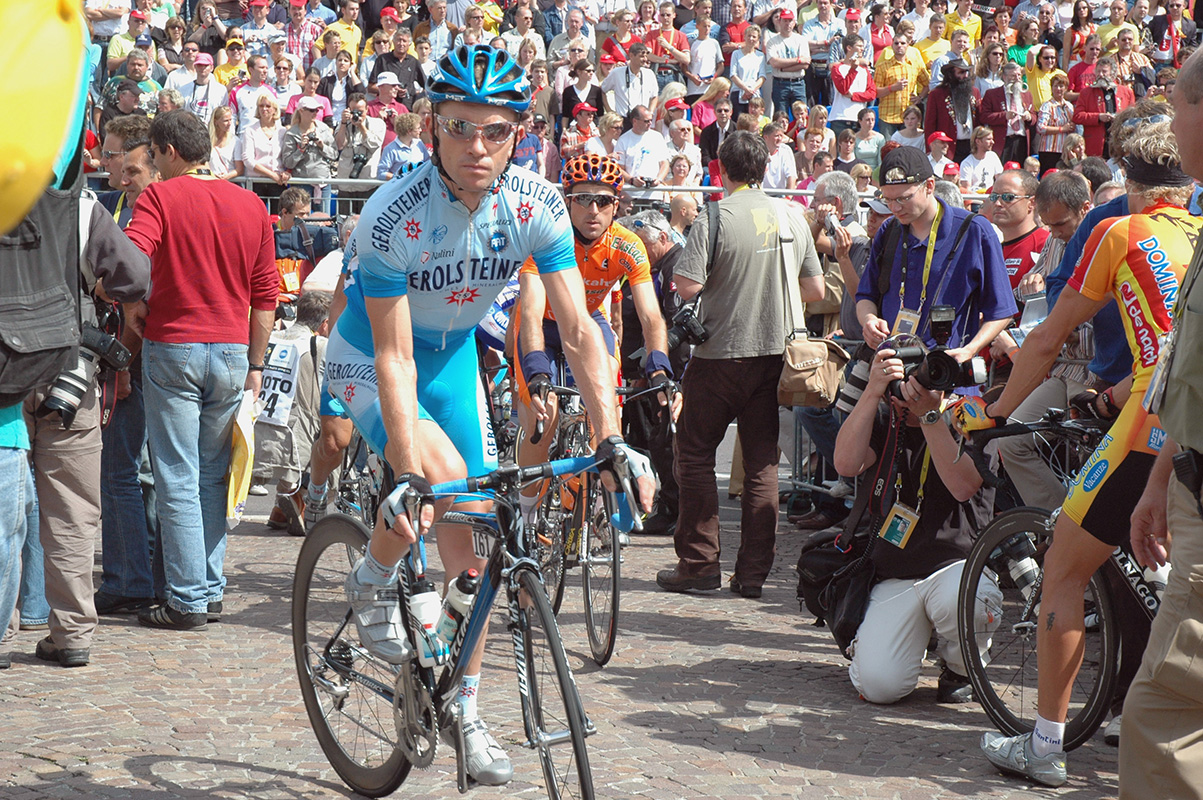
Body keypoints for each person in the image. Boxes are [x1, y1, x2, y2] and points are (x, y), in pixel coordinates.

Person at [324, 44, 652, 786]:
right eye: (459, 127)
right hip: (371, 355)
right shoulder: (392, 214)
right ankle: (372, 575)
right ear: (430, 128)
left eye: (495, 131)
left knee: (473, 554)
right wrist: (407, 470)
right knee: (438, 477)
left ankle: (465, 714)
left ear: (519, 134)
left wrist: (610, 437)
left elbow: (579, 333)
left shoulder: (535, 205)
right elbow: (395, 357)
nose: (477, 146)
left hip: (452, 360)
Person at [964, 118, 1199, 787]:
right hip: (1183, 417)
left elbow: (1047, 339)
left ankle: (1045, 743)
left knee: (1062, 569)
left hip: (1147, 424)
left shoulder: (1119, 231)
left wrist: (996, 411)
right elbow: (1173, 341)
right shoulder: (1199, 233)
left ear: (1128, 180)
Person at [120, 110, 276, 634]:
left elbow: (130, 260)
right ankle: (207, 589)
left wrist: (130, 305)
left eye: (156, 155)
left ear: (168, 151)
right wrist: (256, 363)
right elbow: (266, 296)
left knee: (177, 474)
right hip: (232, 350)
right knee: (212, 474)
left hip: (175, 344)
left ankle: (187, 597)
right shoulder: (250, 203)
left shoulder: (160, 197)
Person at [656, 130, 824, 598]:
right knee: (762, 464)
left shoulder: (715, 215)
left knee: (694, 454)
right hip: (776, 355)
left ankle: (699, 563)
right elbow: (814, 290)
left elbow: (686, 284)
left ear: (722, 170)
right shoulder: (791, 214)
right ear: (765, 169)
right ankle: (752, 575)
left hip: (721, 353)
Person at [833, 315, 1002, 705]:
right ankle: (900, 640)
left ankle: (961, 666)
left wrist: (929, 415)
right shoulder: (885, 417)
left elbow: (962, 485)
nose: (911, 390)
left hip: (956, 566)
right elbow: (845, 463)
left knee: (967, 604)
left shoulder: (968, 416)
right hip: (896, 572)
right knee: (879, 686)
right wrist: (873, 391)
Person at [1121, 49, 1203, 799]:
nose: (1170, 125)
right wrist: (1159, 481)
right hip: (1185, 476)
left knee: (1160, 717)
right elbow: (1190, 371)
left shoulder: (1130, 231)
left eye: (1177, 106)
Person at [512, 155, 671, 529]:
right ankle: (525, 514)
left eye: (603, 200)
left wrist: (660, 368)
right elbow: (530, 313)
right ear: (568, 202)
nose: (593, 210)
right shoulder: (547, 237)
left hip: (588, 320)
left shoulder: (627, 245)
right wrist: (536, 370)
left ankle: (599, 496)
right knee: (544, 417)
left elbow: (651, 316)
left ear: (617, 205)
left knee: (609, 401)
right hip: (543, 327)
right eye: (583, 199)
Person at [855, 146, 1015, 369]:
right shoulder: (889, 229)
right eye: (887, 199)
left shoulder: (974, 230)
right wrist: (869, 320)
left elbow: (1002, 311)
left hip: (944, 370)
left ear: (929, 186)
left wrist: (970, 349)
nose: (895, 208)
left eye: (903, 198)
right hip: (890, 368)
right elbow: (865, 295)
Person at [993, 170, 1095, 513]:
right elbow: (1027, 289)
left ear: (1085, 208)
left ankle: (1084, 528)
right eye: (1048, 225)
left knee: (1094, 464)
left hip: (1096, 373)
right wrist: (1032, 282)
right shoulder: (1053, 240)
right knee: (1012, 440)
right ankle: (1058, 520)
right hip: (1064, 369)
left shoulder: (1105, 240)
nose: (1055, 232)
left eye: (1061, 224)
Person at [333, 92, 386, 212]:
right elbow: (339, 145)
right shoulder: (343, 124)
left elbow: (374, 145)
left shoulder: (378, 124)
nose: (356, 115)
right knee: (345, 220)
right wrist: (343, 124)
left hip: (367, 183)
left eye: (360, 111)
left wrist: (361, 126)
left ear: (367, 109)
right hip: (346, 183)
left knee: (366, 220)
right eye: (354, 111)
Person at [1073, 55, 1135, 157]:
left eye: (1104, 71)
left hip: (1119, 143)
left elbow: (1133, 117)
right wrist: (1098, 117)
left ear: (1113, 73)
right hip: (1095, 144)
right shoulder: (1086, 92)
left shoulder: (1127, 92)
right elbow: (1077, 116)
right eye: (1098, 71)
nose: (1100, 75)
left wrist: (1119, 118)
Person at [981, 61, 1034, 164]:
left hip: (1021, 141)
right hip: (1003, 141)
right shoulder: (992, 94)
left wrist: (1029, 117)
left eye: (1019, 75)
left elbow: (1034, 116)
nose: (1017, 78)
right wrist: (1004, 116)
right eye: (1013, 76)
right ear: (1004, 77)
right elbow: (984, 116)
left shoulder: (1027, 94)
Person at [616, 104, 670, 200]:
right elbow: (619, 168)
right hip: (631, 194)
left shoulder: (657, 137)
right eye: (646, 121)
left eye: (651, 120)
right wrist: (631, 180)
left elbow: (664, 163)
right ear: (635, 121)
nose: (650, 123)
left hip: (654, 194)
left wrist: (659, 179)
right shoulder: (623, 140)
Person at [829, 34, 875, 138]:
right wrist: (853, 70)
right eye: (859, 46)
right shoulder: (837, 68)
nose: (862, 49)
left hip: (859, 119)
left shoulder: (864, 71)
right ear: (849, 48)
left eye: (862, 46)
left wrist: (854, 96)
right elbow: (843, 89)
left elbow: (872, 94)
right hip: (840, 118)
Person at [601, 42, 659, 120]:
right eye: (641, 56)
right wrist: (610, 111)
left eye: (646, 56)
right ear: (631, 55)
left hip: (643, 120)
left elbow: (654, 96)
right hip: (623, 120)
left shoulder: (649, 74)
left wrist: (650, 113)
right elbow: (602, 90)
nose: (645, 59)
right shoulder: (617, 73)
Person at [1036, 72, 1075, 174]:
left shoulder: (1069, 106)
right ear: (1051, 88)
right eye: (1055, 86)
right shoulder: (1047, 106)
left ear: (1066, 88)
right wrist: (1062, 129)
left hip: (1064, 150)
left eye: (1061, 86)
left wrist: (1072, 127)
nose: (1058, 89)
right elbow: (1040, 128)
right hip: (1049, 150)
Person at [376, 112, 429, 177]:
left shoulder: (419, 143)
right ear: (409, 131)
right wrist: (399, 177)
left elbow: (428, 163)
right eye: (418, 128)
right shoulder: (390, 149)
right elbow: (381, 173)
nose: (420, 130)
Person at [1148, 0, 1196, 70]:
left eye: (1178, 5)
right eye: (1171, 5)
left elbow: (1193, 46)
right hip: (1158, 63)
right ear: (1168, 7)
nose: (1175, 8)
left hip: (1177, 64)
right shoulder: (1158, 20)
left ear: (1184, 6)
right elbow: (1147, 34)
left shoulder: (1190, 25)